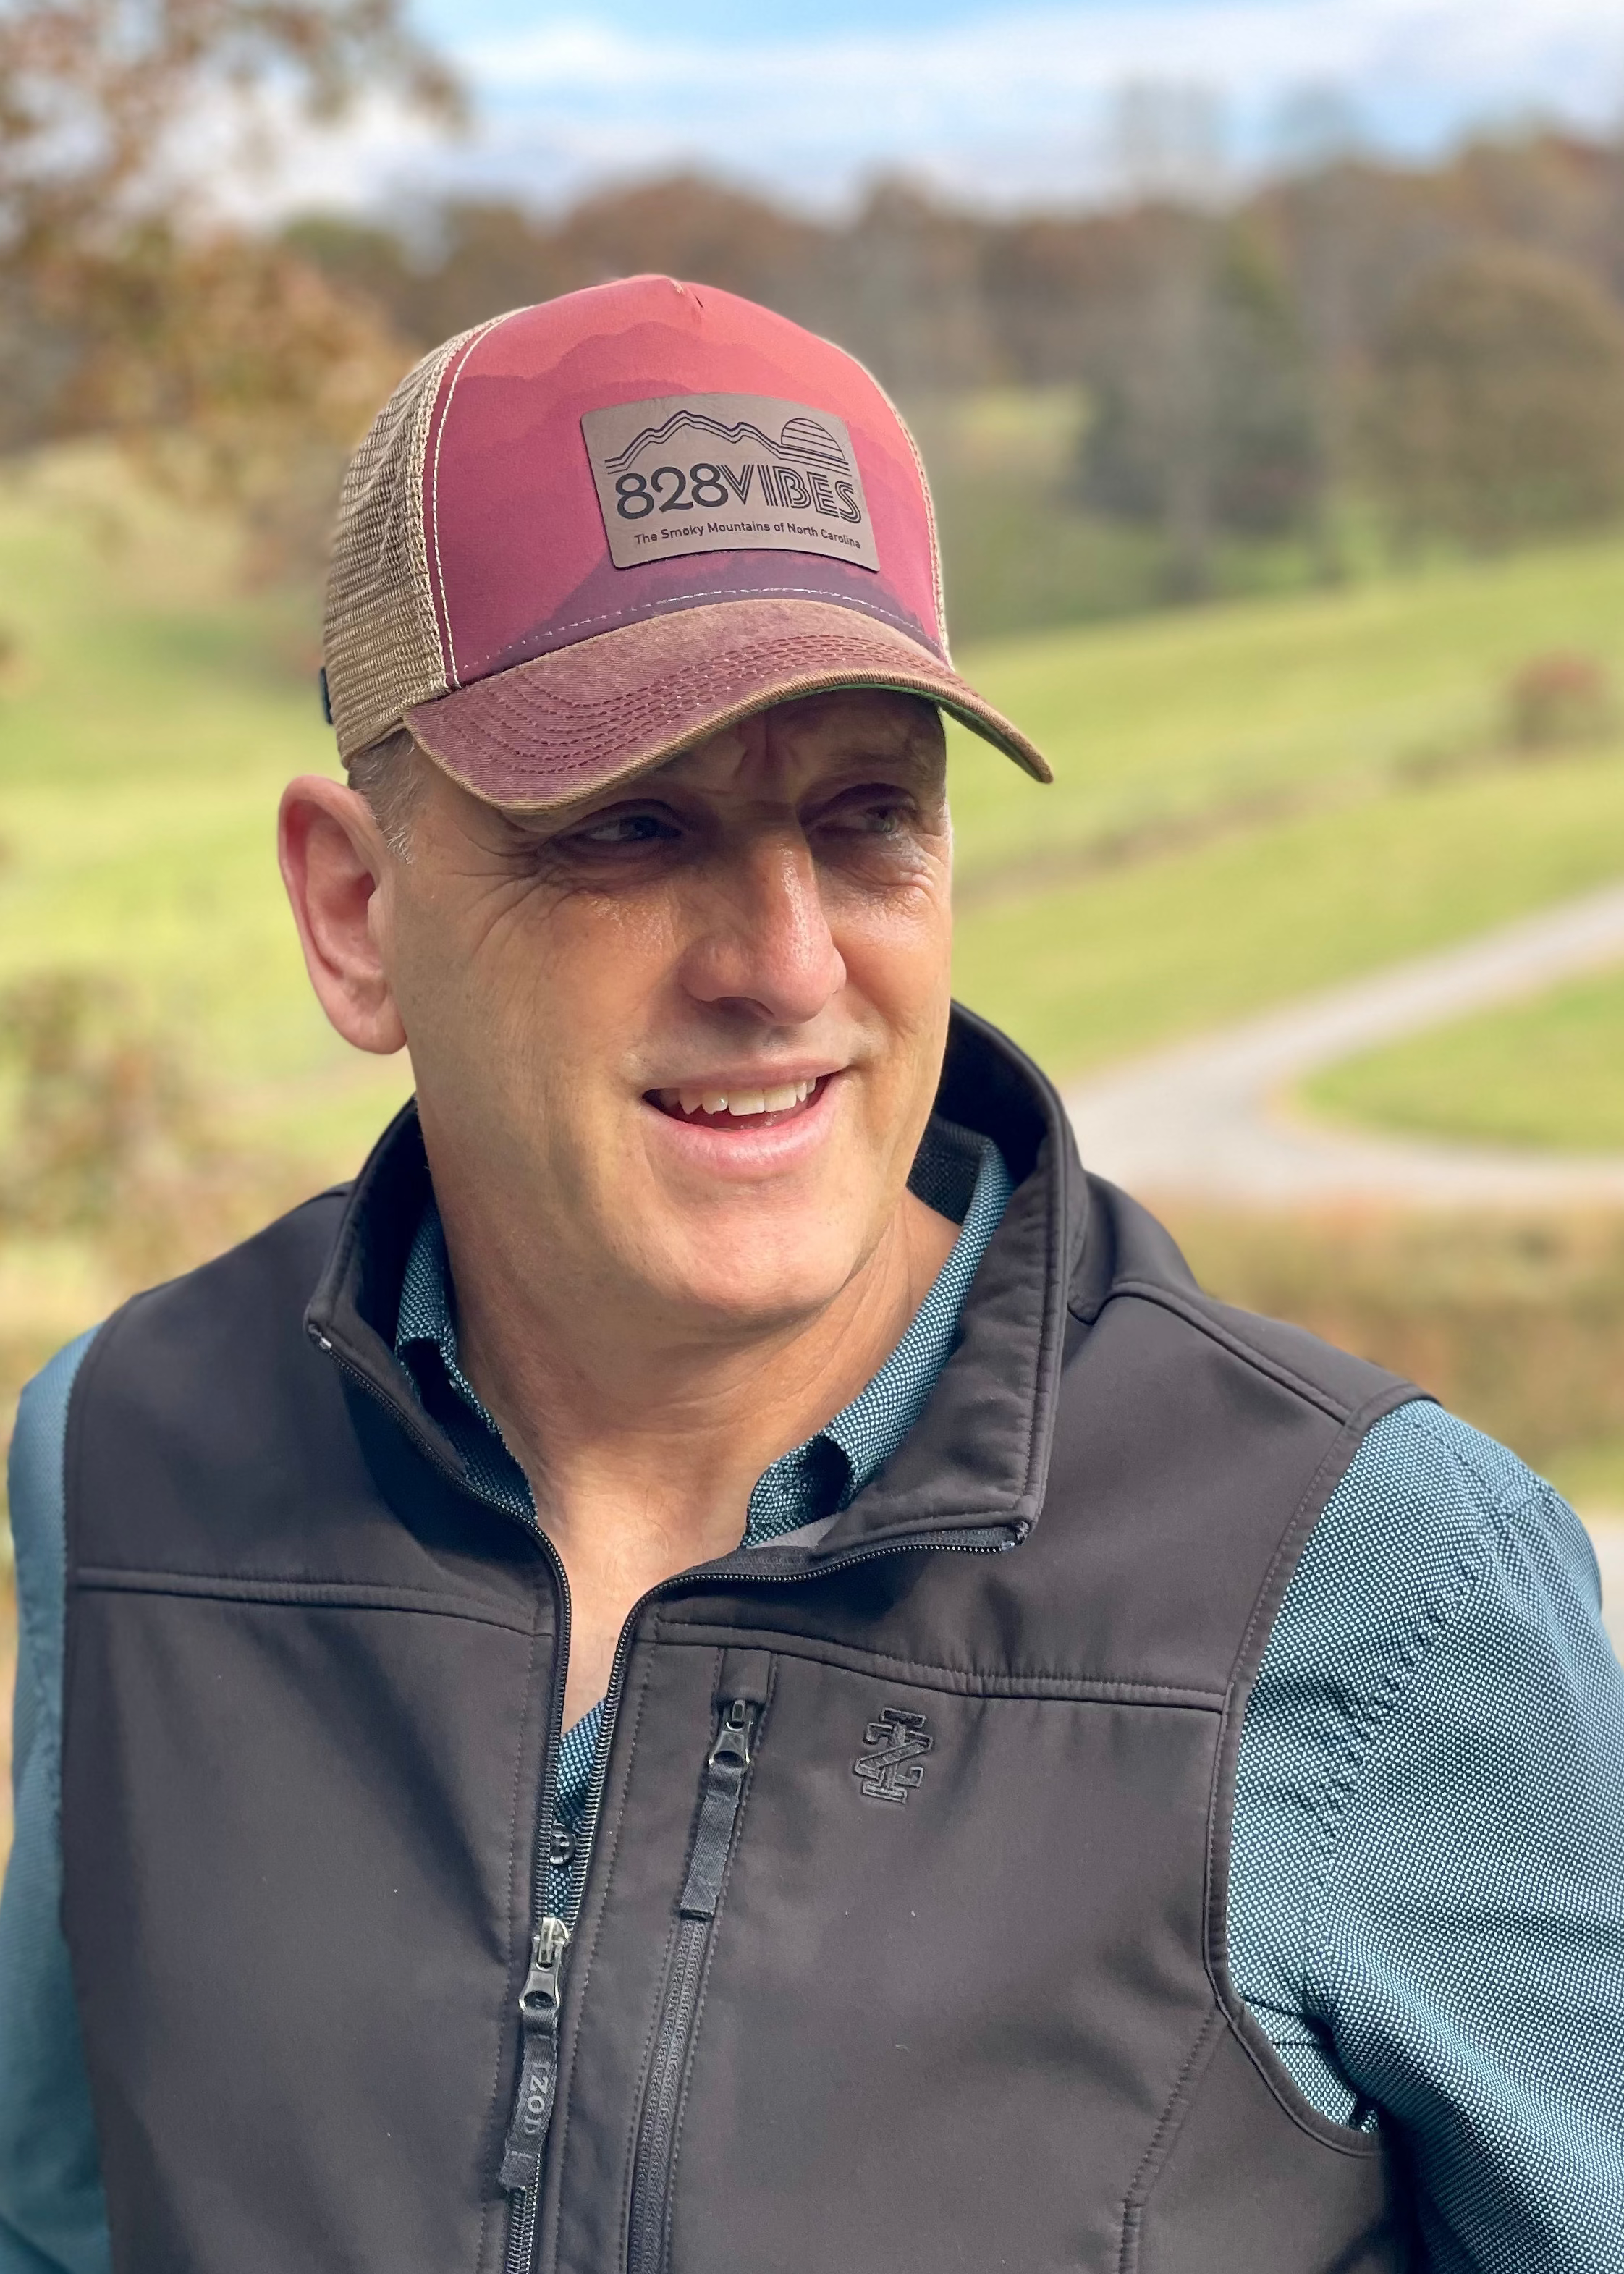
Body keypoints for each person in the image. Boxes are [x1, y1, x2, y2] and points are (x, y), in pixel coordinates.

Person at [2, 275, 1622, 2274]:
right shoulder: (130, 1451)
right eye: (629, 828)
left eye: (866, 818)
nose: (781, 962)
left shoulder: (1362, 1575)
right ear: (355, 913)